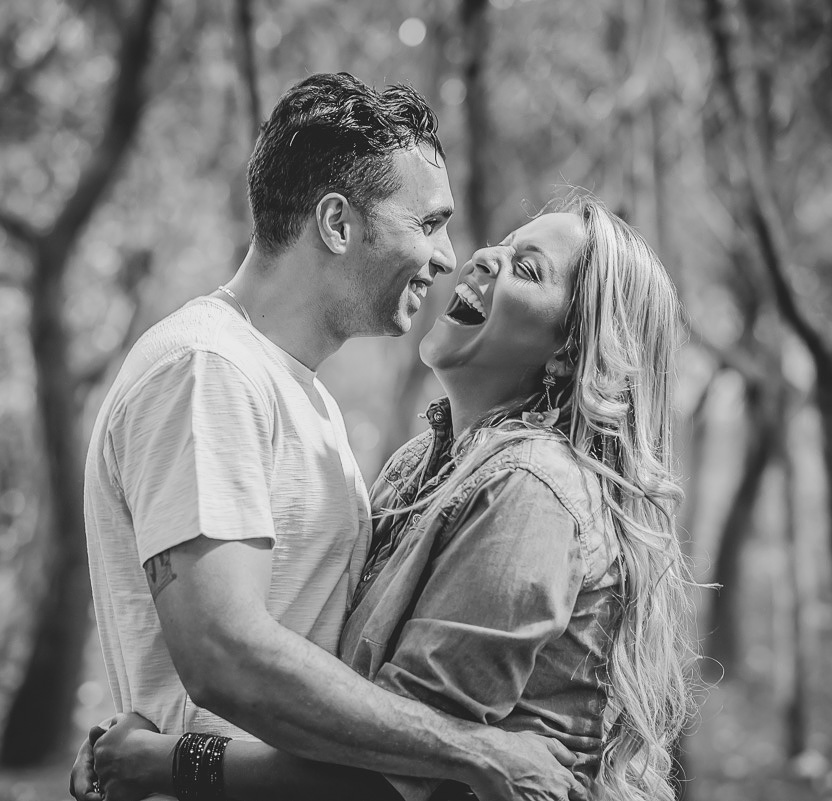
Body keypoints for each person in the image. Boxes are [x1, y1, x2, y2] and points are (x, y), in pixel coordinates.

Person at [75, 193, 696, 801]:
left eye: (527, 269)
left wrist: (169, 762)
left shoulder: (530, 490)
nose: (480, 257)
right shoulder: (420, 465)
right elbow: (349, 705)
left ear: (571, 350)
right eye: (503, 245)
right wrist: (158, 724)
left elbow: (395, 774)